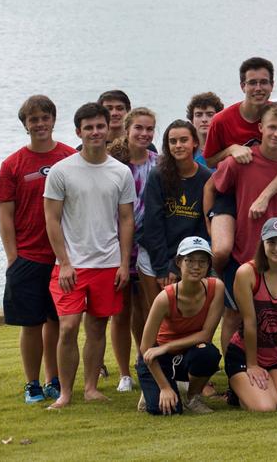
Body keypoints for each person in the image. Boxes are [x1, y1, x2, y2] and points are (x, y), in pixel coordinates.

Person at [43, 102, 136, 408]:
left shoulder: (120, 172)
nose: (95, 132)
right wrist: (65, 263)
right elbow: (52, 220)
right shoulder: (61, 171)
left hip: (108, 265)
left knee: (97, 328)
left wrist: (124, 263)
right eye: (89, 127)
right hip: (71, 266)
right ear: (78, 132)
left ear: (108, 129)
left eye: (100, 126)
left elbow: (125, 220)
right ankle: (65, 394)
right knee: (68, 327)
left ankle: (91, 387)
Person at [208, 102, 277, 349]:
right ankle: (235, 374)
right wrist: (210, 224)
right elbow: (213, 188)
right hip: (243, 254)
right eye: (272, 128)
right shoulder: (240, 162)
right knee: (235, 316)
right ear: (260, 128)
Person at [202, 58, 277, 277]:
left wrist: (265, 196)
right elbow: (209, 161)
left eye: (264, 82)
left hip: (274, 185)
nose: (258, 88)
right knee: (221, 249)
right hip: (234, 187)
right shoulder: (222, 120)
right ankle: (224, 284)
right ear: (242, 86)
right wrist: (231, 149)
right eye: (252, 82)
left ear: (272, 85)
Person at [0, 95, 74, 404]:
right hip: (28, 257)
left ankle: (53, 379)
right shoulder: (12, 164)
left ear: (53, 120)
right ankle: (32, 384)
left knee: (55, 321)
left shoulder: (70, 158)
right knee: (30, 324)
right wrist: (13, 257)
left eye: (45, 117)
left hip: (63, 258)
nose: (40, 124)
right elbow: (5, 214)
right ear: (25, 125)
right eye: (33, 120)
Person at [226, 218, 277, 412]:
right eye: (271, 242)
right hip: (246, 354)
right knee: (266, 407)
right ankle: (238, 390)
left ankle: (271, 381)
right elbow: (250, 323)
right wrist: (252, 365)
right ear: (262, 243)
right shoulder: (246, 273)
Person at [136, 237, 223, 415]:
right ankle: (154, 388)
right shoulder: (165, 298)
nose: (196, 266)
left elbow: (206, 335)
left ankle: (193, 397)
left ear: (208, 265)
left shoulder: (216, 288)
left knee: (208, 353)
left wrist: (168, 346)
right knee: (168, 411)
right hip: (157, 358)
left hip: (185, 353)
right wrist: (164, 388)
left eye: (202, 261)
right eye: (189, 260)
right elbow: (146, 347)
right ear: (178, 262)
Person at [107, 106, 158, 392]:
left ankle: (144, 359)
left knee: (146, 308)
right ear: (127, 130)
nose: (144, 133)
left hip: (147, 245)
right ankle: (124, 373)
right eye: (138, 128)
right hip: (115, 245)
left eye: (149, 129)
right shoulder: (114, 164)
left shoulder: (158, 163)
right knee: (120, 310)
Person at [139, 120, 211, 289]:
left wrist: (177, 264)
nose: (178, 145)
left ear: (195, 143)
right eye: (173, 141)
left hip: (190, 255)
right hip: (156, 254)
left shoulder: (206, 178)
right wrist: (163, 268)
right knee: (156, 311)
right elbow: (153, 224)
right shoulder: (158, 175)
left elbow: (202, 226)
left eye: (184, 140)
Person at [186, 92, 224, 165]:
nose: (204, 119)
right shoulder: (185, 150)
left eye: (210, 115)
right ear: (192, 120)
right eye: (198, 115)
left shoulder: (227, 147)